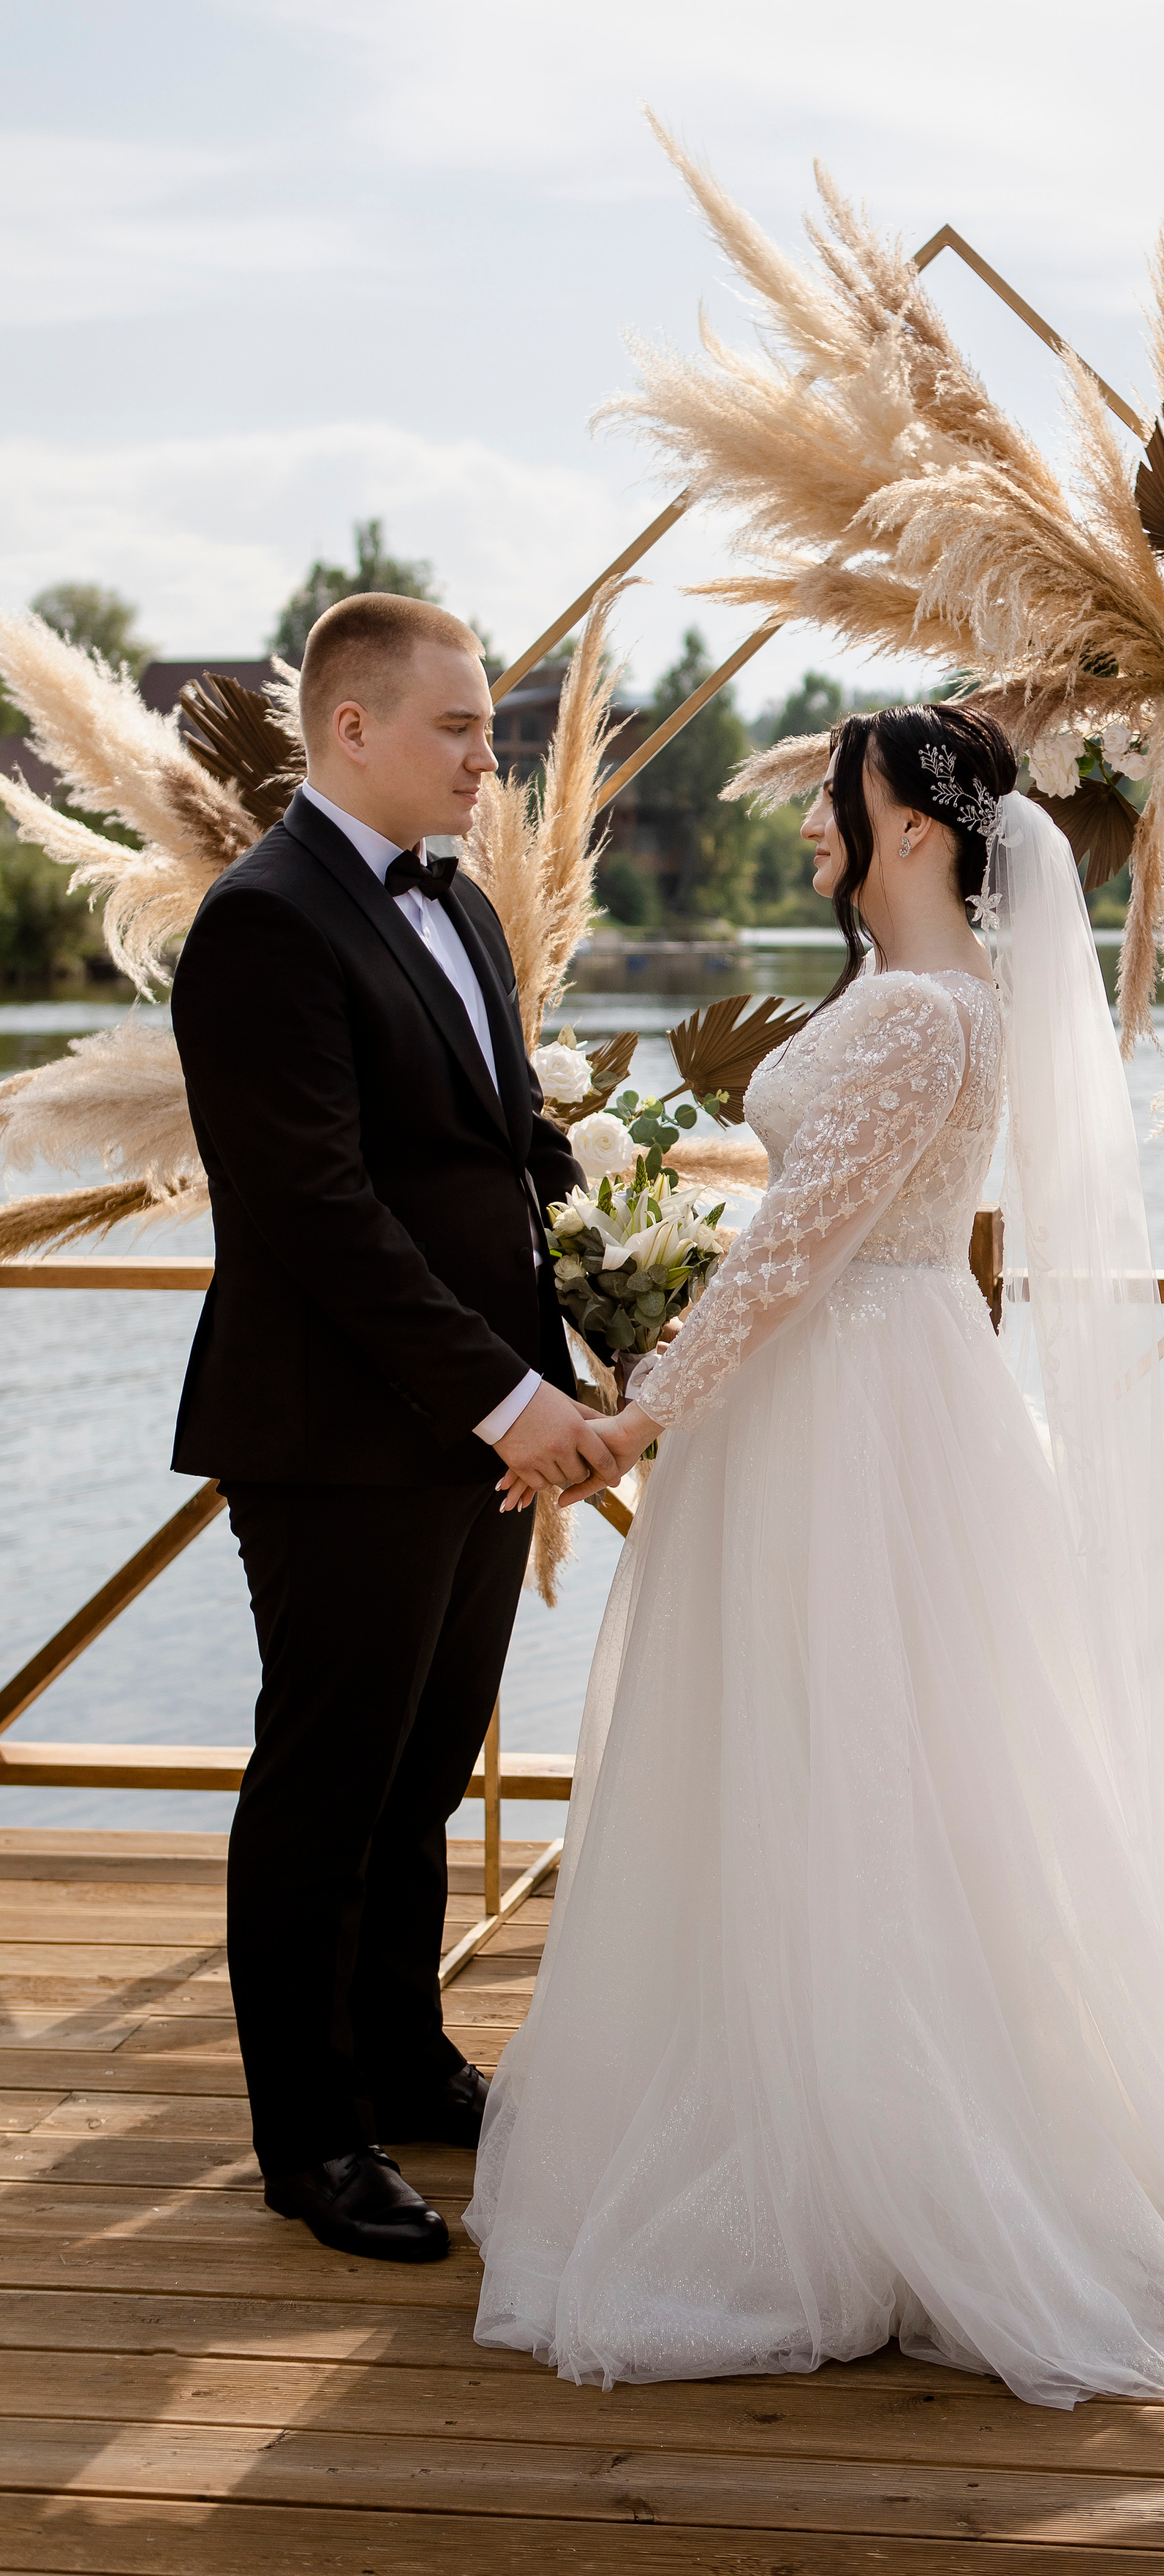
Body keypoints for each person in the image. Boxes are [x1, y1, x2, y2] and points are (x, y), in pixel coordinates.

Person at [465, 702, 1164, 2431]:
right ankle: (788, 2090)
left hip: (856, 1415)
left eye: (837, 801)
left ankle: (911, 2155)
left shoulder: (928, 1018)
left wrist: (640, 1412)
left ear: (913, 824)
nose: (814, 829)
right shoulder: (910, 1000)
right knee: (821, 1761)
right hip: (839, 1395)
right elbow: (782, 1229)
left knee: (900, 1771)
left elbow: (799, 1245)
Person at [170, 592, 622, 2265]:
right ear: (349, 729)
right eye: (454, 730)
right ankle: (309, 2139)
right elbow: (316, 1209)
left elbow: (500, 1144)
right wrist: (511, 1396)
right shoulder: (262, 924)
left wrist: (625, 1263)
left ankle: (405, 2057)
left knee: (426, 1771)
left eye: (491, 733)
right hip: (339, 1433)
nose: (482, 763)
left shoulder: (469, 914)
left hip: (475, 1422)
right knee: (328, 1782)